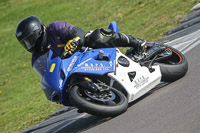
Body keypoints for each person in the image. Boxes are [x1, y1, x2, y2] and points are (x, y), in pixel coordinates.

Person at [16, 16, 161, 77]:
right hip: (74, 71)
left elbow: (77, 31)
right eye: (25, 42)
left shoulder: (55, 27)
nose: (30, 44)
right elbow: (48, 77)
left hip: (87, 51)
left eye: (31, 38)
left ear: (40, 30)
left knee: (96, 36)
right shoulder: (36, 58)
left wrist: (75, 40)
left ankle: (139, 44)